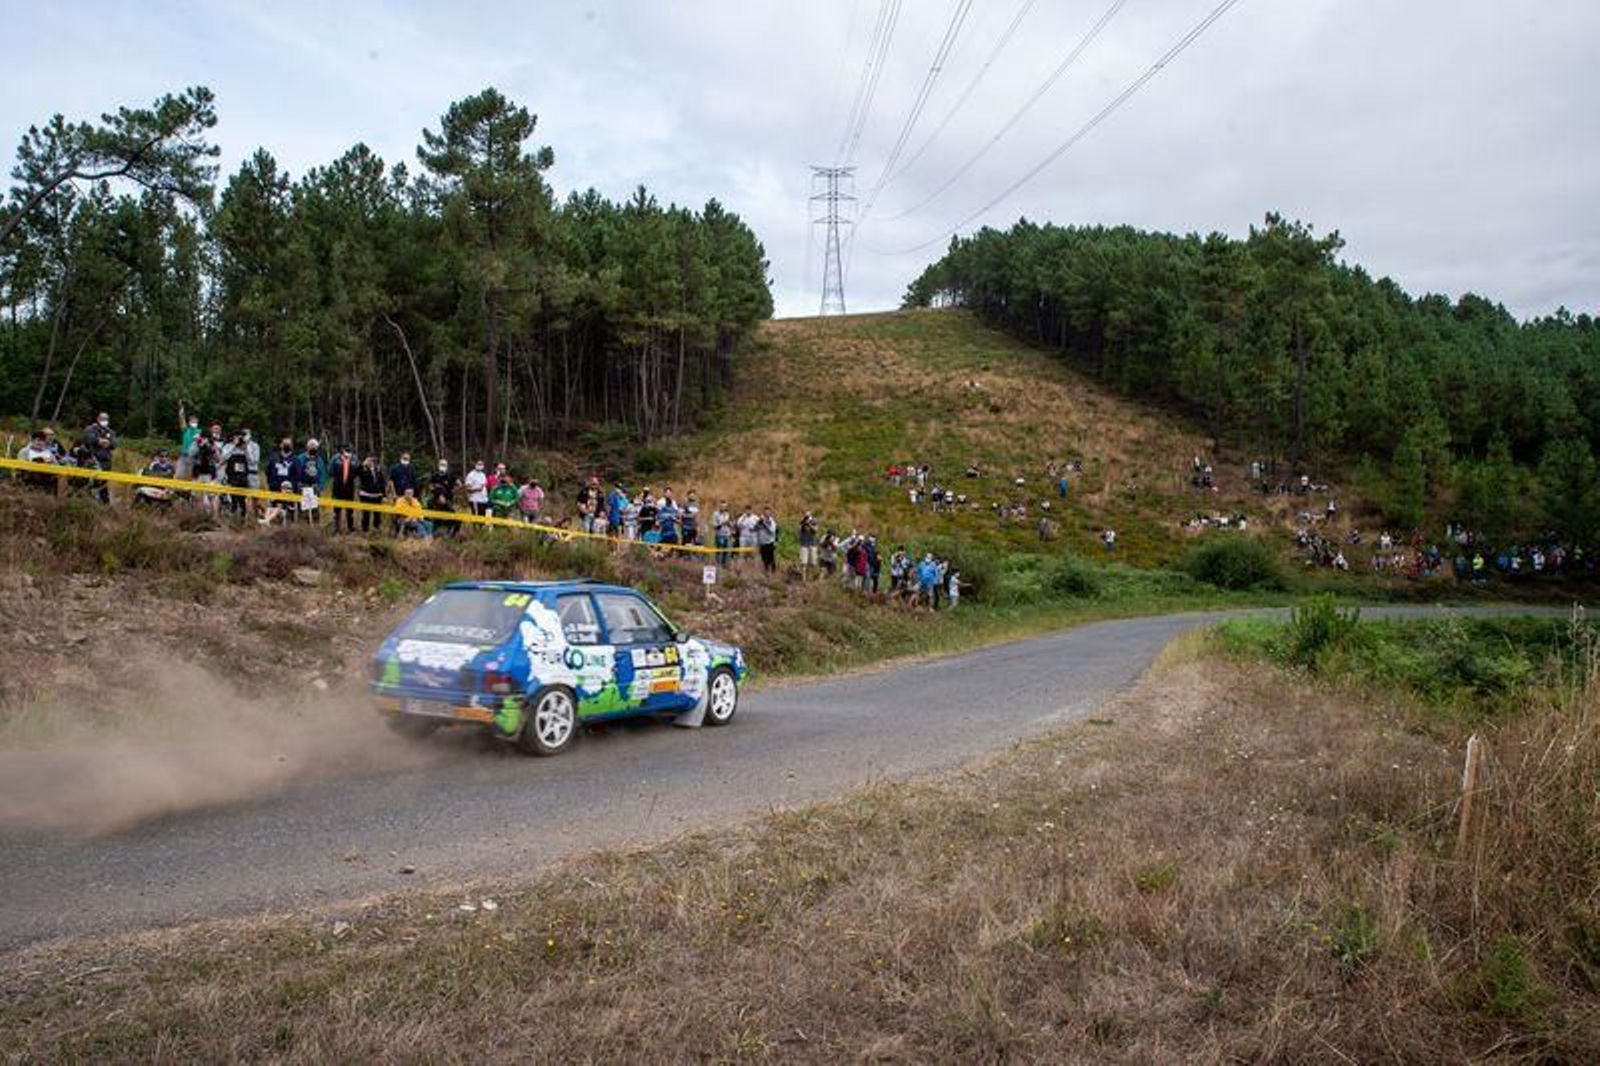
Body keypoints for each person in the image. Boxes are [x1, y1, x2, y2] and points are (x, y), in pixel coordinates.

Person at [294, 439, 327, 526]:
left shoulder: (319, 460)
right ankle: (303, 529)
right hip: (302, 487)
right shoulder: (300, 458)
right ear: (307, 447)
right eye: (311, 446)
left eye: (315, 447)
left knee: (315, 510)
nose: (313, 448)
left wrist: (320, 487)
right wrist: (297, 484)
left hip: (314, 487)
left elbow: (322, 474)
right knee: (303, 510)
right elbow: (294, 472)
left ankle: (315, 530)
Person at [328, 445, 360, 534]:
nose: (348, 453)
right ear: (342, 451)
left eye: (350, 451)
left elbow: (358, 471)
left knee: (350, 510)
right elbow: (330, 471)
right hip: (337, 487)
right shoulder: (335, 458)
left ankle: (350, 528)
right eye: (346, 451)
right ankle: (336, 529)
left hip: (349, 488)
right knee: (337, 510)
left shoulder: (354, 459)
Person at [222, 432, 252, 517]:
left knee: (242, 498)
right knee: (233, 497)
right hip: (232, 475)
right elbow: (224, 457)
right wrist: (233, 446)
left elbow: (251, 460)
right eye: (236, 437)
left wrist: (246, 448)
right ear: (232, 437)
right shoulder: (228, 446)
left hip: (243, 476)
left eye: (240, 437)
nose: (239, 439)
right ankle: (233, 515)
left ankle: (243, 516)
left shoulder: (245, 447)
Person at [428, 460, 461, 537]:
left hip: (448, 500)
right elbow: (430, 486)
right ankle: (435, 534)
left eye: (444, 465)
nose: (442, 466)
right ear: (438, 465)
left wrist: (455, 491)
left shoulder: (451, 475)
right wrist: (435, 490)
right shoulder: (434, 475)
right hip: (436, 501)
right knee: (436, 517)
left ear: (447, 466)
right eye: (441, 464)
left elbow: (459, 484)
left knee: (454, 518)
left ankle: (452, 534)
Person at [357, 455, 388, 533]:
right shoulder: (363, 470)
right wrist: (363, 464)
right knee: (366, 514)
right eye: (370, 461)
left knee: (377, 514)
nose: (372, 462)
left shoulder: (378, 470)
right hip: (365, 495)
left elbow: (382, 483)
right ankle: (365, 530)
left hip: (377, 495)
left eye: (373, 461)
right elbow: (358, 472)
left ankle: (376, 528)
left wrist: (384, 495)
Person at [756, 507, 778, 574]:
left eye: (768, 512)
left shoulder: (772, 521)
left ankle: (773, 573)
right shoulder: (761, 521)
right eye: (765, 512)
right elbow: (755, 529)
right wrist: (758, 523)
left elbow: (771, 531)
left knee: (771, 559)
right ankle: (766, 573)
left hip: (769, 543)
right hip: (762, 543)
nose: (766, 514)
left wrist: (764, 524)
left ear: (770, 513)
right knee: (764, 560)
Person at [797, 511, 820, 579]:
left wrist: (809, 524)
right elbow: (799, 532)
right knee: (803, 563)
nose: (806, 516)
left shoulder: (814, 521)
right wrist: (803, 524)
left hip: (813, 544)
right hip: (804, 544)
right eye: (805, 515)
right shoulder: (802, 522)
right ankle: (803, 578)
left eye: (808, 515)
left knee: (812, 562)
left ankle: (810, 577)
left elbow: (816, 530)